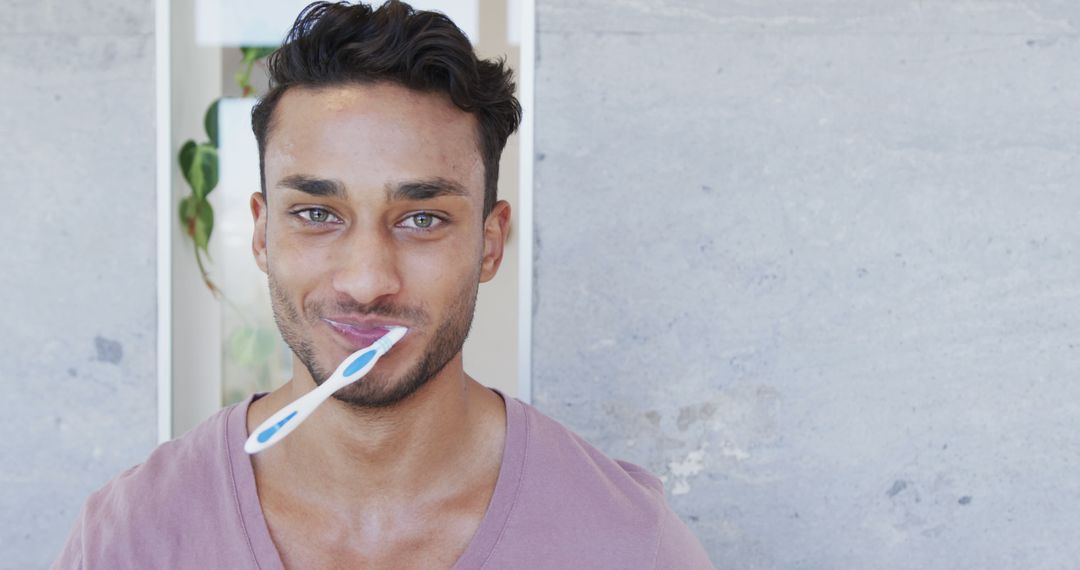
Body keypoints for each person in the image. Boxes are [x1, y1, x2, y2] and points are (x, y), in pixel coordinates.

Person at [54, 1, 713, 568]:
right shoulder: (129, 540)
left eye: (422, 219)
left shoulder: (629, 544)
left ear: (490, 243)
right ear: (261, 234)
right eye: (317, 214)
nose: (368, 281)